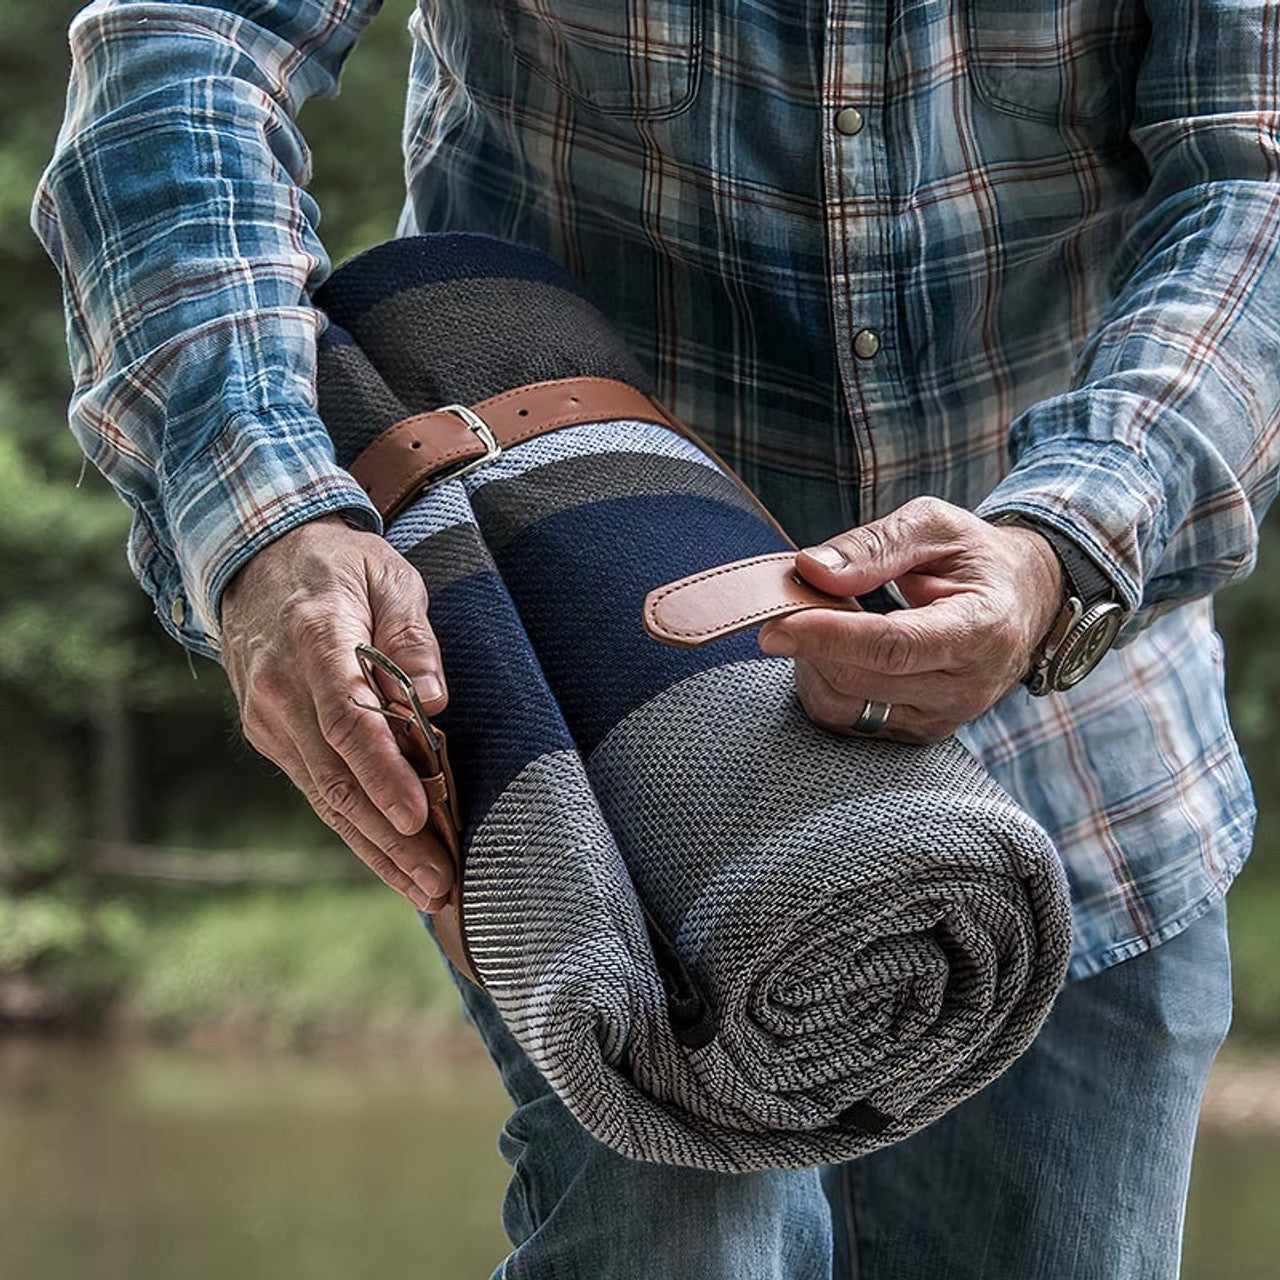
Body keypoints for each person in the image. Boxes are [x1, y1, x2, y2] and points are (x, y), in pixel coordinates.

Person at [33, 2, 1277, 1276]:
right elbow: (186, 42)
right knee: (683, 1233)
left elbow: (1252, 175)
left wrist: (1067, 535)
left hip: (1079, 757)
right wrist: (262, 520)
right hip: (597, 750)